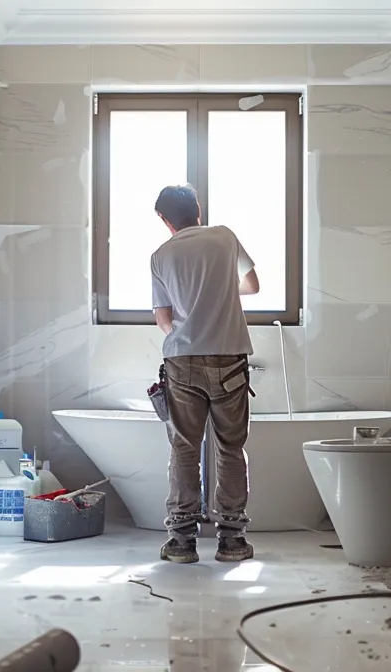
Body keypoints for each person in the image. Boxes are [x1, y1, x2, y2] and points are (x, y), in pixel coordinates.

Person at [148, 184, 260, 564]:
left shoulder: (161, 255)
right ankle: (232, 541)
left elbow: (164, 320)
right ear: (198, 208)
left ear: (165, 220)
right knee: (230, 447)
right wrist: (220, 294)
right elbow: (253, 286)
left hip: (183, 359)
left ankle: (181, 542)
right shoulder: (225, 237)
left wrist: (189, 323)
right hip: (229, 357)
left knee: (184, 447)